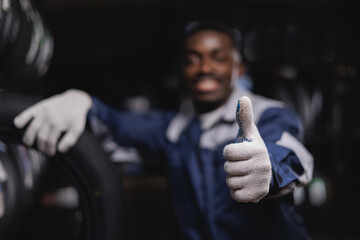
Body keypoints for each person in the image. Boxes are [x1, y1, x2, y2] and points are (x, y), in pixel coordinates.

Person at [13, 21, 314, 239]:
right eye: (192, 60)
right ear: (182, 71)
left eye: (217, 58)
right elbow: (117, 123)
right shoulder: (173, 129)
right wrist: (83, 101)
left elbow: (291, 152)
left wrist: (270, 170)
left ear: (238, 70)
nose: (204, 68)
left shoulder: (267, 114)